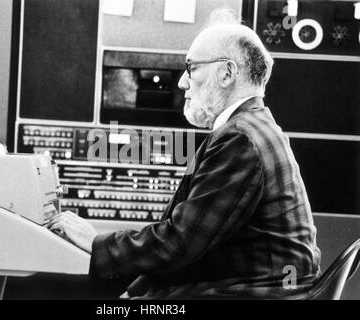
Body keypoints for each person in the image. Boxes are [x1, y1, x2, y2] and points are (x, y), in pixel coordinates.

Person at [47, 14, 321, 299]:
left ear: (227, 74)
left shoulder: (240, 138)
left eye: (191, 68)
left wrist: (97, 242)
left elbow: (180, 242)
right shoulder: (253, 126)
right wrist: (135, 291)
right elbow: (192, 246)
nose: (181, 83)